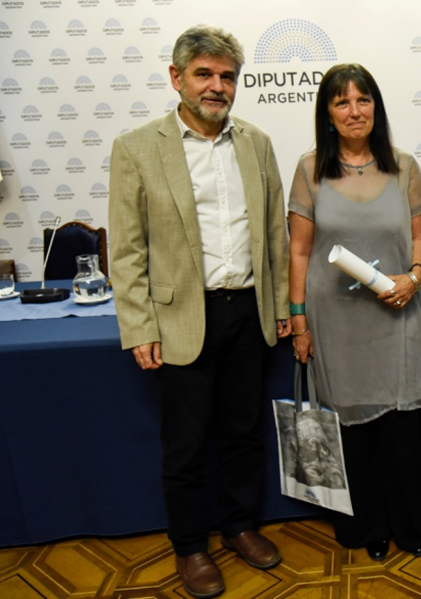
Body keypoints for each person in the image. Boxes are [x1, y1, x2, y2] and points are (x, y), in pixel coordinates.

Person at [108, 24, 290, 599]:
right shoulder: (136, 148)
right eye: (204, 75)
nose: (217, 87)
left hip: (248, 311)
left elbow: (275, 237)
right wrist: (138, 324)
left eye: (227, 76)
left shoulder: (256, 143)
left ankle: (238, 526)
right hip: (182, 319)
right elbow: (127, 249)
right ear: (176, 78)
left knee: (243, 433)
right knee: (185, 444)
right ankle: (190, 546)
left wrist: (282, 304)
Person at [287, 63, 421, 562]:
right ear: (327, 114)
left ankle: (412, 525)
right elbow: (299, 253)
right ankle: (368, 527)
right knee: (354, 433)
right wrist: (300, 321)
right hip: (336, 322)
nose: (355, 111)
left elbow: (420, 238)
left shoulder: (405, 166)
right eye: (342, 102)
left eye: (364, 99)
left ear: (377, 106)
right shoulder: (309, 170)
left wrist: (413, 277)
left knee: (403, 429)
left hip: (397, 314)